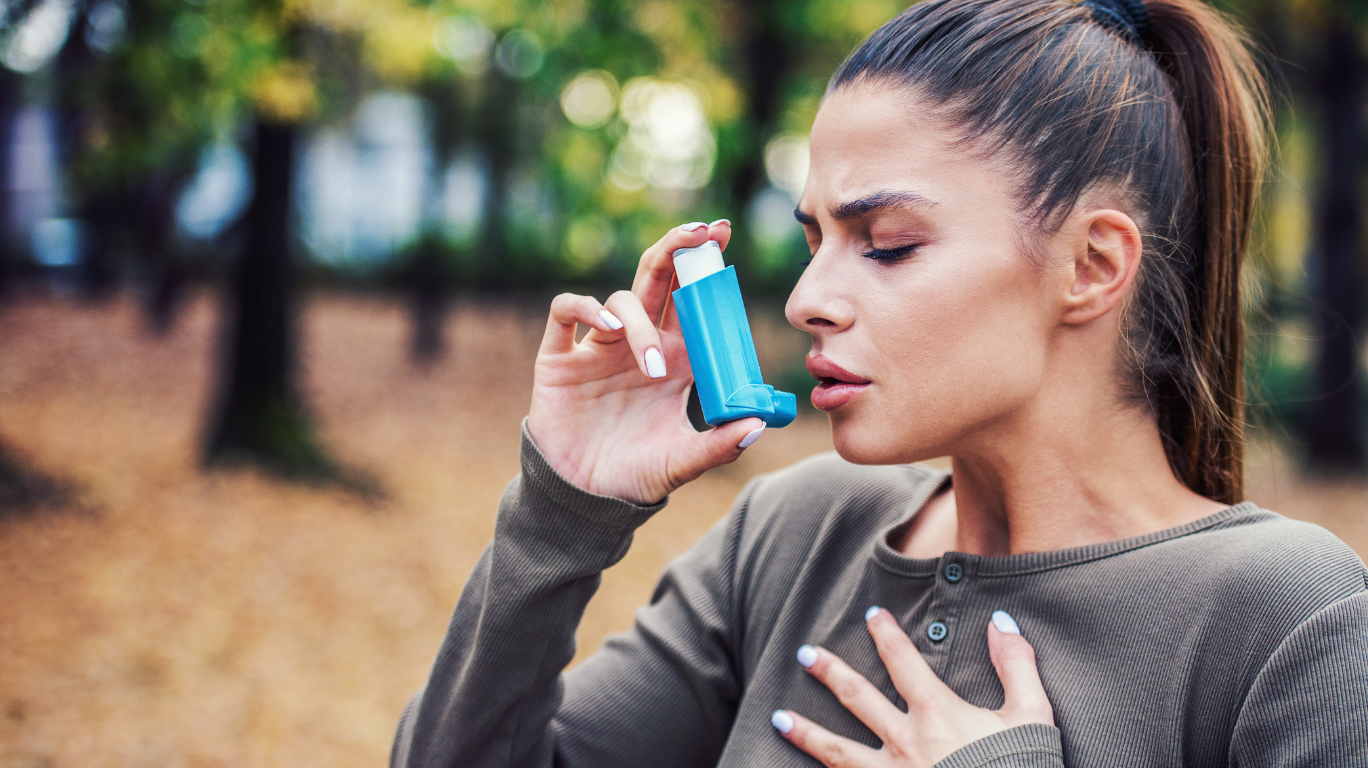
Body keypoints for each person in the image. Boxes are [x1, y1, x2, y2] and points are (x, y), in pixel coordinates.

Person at [391, 0, 1368, 765]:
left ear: (1092, 264)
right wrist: (561, 512)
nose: (807, 300)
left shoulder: (1291, 620)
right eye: (815, 240)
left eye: (888, 244)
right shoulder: (795, 534)